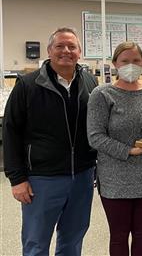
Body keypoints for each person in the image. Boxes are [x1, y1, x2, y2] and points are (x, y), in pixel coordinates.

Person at [2, 27, 98, 256]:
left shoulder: (89, 82)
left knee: (73, 239)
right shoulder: (27, 85)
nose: (66, 51)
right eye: (60, 46)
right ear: (49, 51)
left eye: (72, 46)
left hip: (82, 177)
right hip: (42, 178)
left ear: (79, 52)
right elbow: (11, 132)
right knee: (36, 242)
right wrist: (17, 179)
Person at [86, 41, 142, 256]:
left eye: (136, 61)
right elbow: (95, 137)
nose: (131, 65)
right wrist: (130, 151)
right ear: (115, 64)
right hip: (115, 178)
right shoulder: (101, 94)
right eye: (125, 61)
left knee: (141, 233)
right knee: (119, 235)